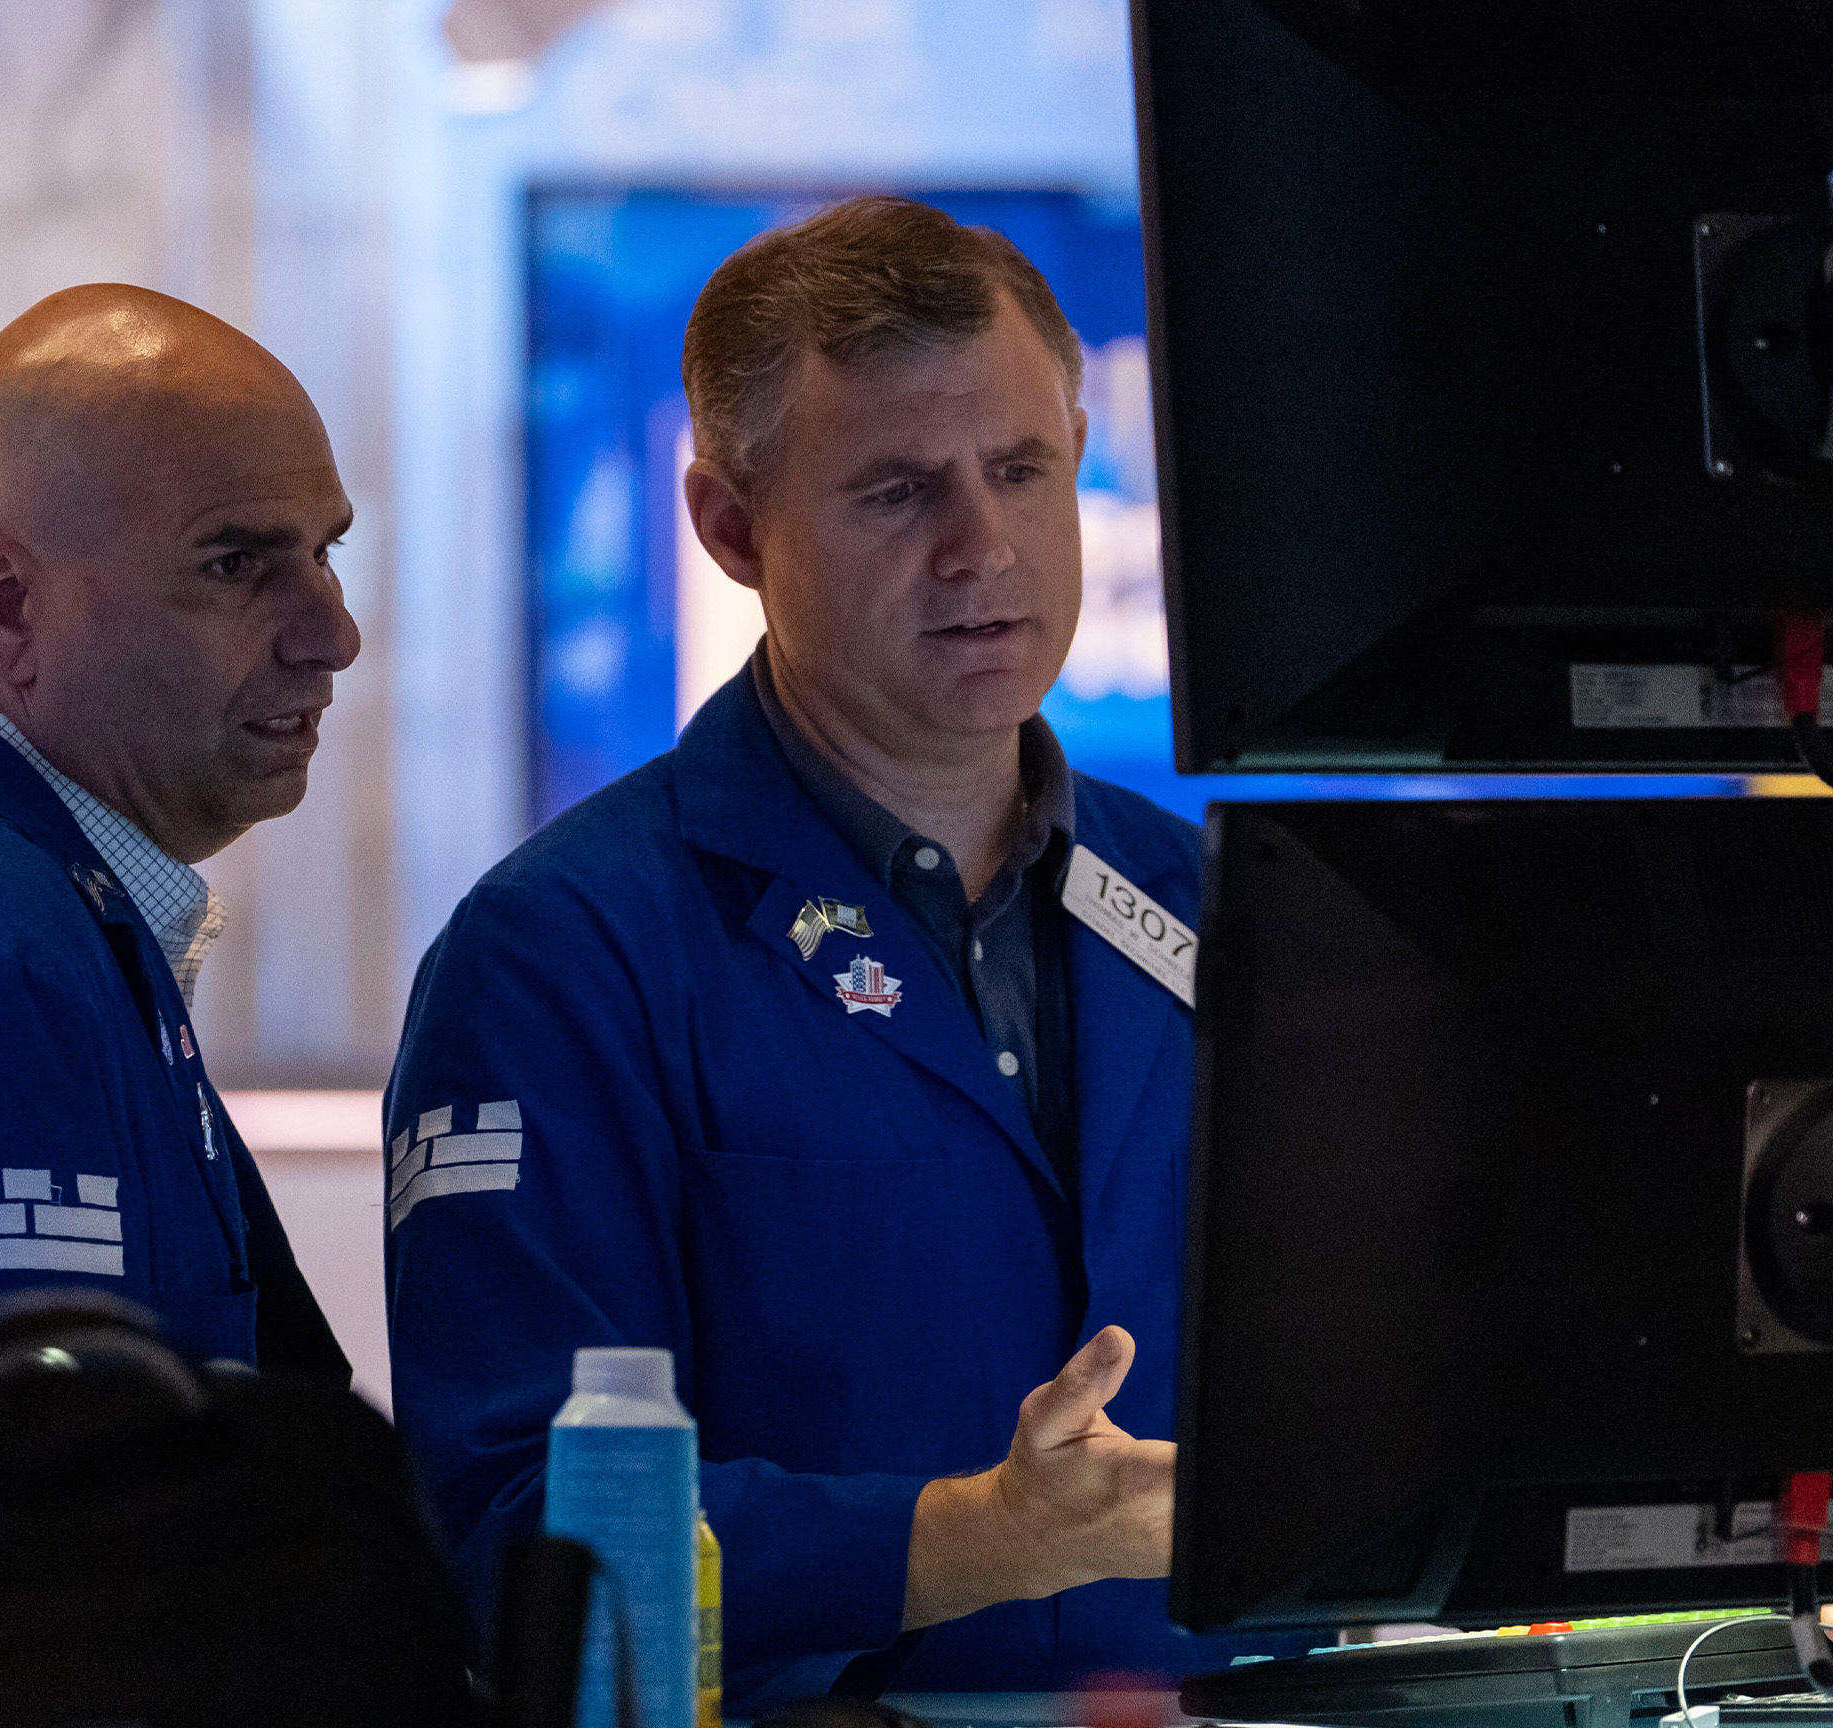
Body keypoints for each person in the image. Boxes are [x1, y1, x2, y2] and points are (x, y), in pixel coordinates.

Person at [383, 197, 1300, 1706]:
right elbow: (513, 1549)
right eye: (896, 491)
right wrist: (969, 1540)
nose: (983, 547)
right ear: (730, 529)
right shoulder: (560, 956)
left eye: (1022, 471)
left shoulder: (1215, 905)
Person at [0, 284, 357, 1378]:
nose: (335, 633)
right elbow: (40, 1510)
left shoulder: (39, 893)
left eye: (326, 552)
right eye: (234, 564)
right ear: (7, 602)